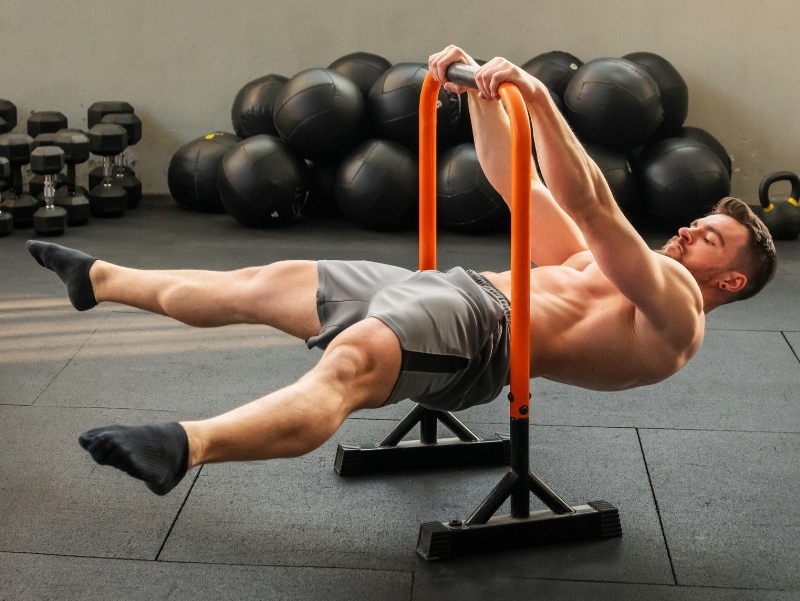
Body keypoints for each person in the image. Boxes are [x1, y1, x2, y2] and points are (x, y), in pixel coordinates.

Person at [27, 44, 776, 498]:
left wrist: (541, 100)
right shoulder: (616, 269)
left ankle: (185, 444)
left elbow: (590, 199)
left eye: (708, 236)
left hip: (483, 333)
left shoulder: (676, 313)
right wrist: (480, 94)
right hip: (449, 296)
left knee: (345, 370)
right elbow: (512, 179)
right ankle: (100, 280)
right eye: (698, 221)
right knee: (258, 284)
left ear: (731, 280)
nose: (688, 229)